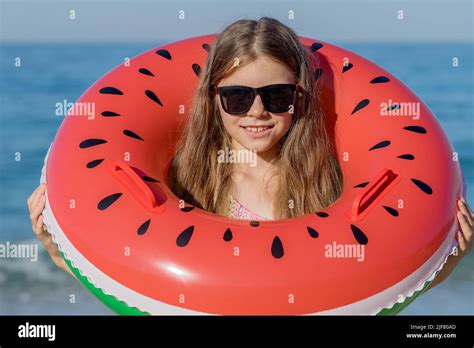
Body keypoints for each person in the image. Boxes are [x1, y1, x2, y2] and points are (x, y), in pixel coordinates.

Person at [27, 17, 472, 294]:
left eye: (277, 95)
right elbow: (134, 282)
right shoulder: (187, 181)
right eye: (237, 97)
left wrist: (446, 259)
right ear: (212, 99)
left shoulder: (327, 182)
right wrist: (54, 242)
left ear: (300, 98)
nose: (257, 111)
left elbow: (370, 285)